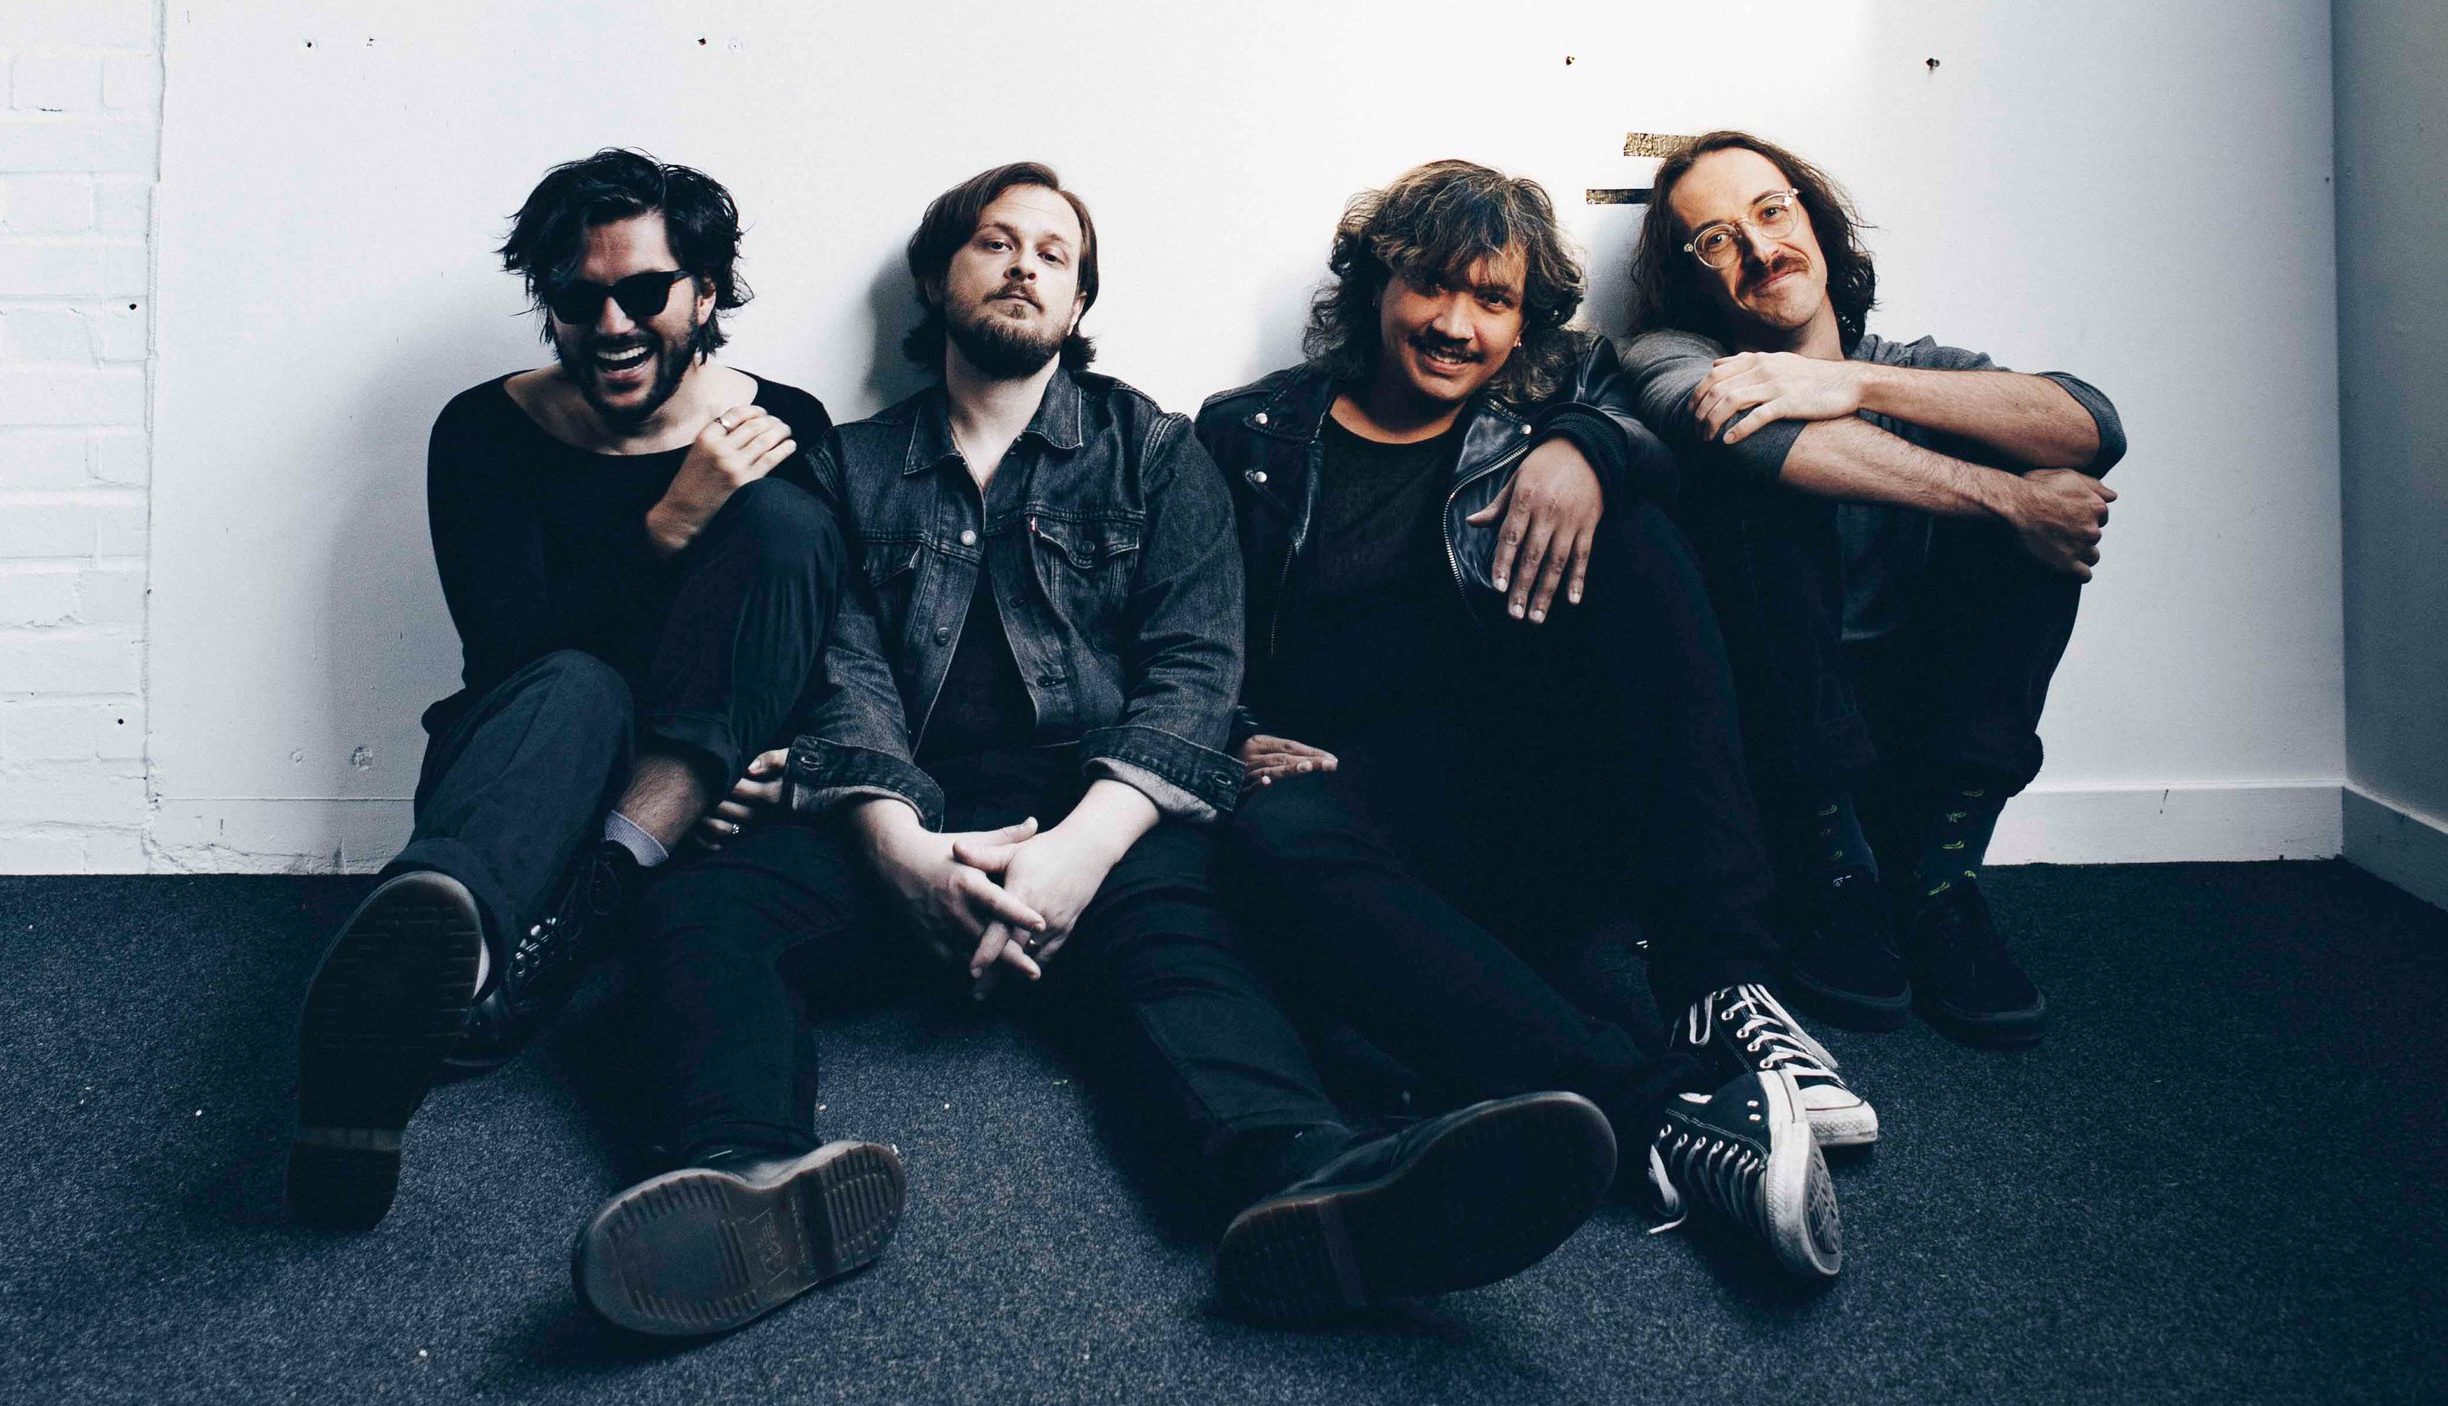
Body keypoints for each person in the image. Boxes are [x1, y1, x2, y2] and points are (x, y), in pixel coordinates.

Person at [571, 162, 1621, 1336]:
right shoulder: (845, 465)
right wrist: (900, 846)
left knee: (1189, 952)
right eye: (994, 243)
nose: (1024, 266)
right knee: (703, 907)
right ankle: (747, 1174)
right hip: (904, 811)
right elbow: (839, 675)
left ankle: (1316, 1183)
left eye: (1054, 253)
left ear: (1077, 304)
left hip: (1097, 803)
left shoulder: (1155, 452)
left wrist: (1081, 849)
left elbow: (1194, 666)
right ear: (937, 276)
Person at [1200, 160, 1853, 1281]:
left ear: (1522, 324)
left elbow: (1655, 423)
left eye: (1491, 301)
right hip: (1352, 817)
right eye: (1430, 287)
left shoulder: (1553, 410)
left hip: (1516, 807)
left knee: (1643, 545)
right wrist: (1229, 733)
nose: (1454, 325)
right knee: (1265, 831)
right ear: (1373, 286)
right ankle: (1664, 1114)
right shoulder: (1247, 433)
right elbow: (1186, 625)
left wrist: (1585, 449)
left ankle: (1721, 984)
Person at [287, 149, 841, 1229]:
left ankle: (555, 936)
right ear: (548, 302)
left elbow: (805, 632)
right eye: (580, 296)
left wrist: (767, 761)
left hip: (694, 776)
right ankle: (442, 959)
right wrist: (671, 518)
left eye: (645, 291)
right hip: (532, 760)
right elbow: (511, 652)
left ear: (704, 294)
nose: (614, 322)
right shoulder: (485, 431)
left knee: (783, 523)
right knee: (578, 685)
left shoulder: (783, 426)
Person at [1621, 132, 2127, 1048]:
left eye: (1772, 212)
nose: (1760, 248)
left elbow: (2091, 425)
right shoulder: (1670, 355)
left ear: (1814, 222)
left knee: (2042, 505)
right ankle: (1838, 880)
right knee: (1772, 476)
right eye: (1716, 240)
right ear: (1693, 277)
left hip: (1920, 733)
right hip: (1774, 741)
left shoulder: (1910, 365)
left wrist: (1844, 381)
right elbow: (1757, 436)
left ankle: (1938, 886)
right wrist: (2008, 501)